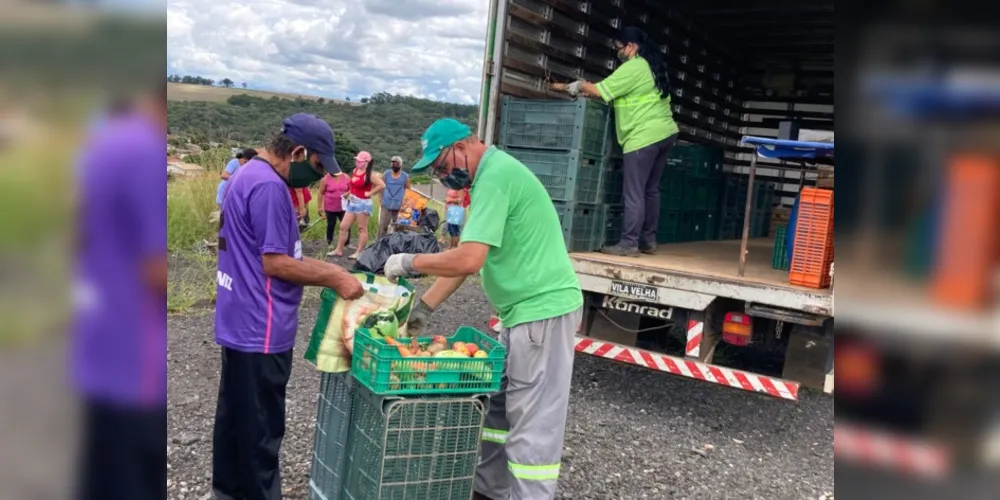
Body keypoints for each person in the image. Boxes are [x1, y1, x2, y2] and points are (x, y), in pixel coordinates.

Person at [383, 118, 583, 500]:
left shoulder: (495, 177)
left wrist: (410, 262)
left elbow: (469, 259)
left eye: (442, 167)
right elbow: (468, 256)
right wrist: (424, 308)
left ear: (462, 146)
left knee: (532, 427)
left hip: (542, 313)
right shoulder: (488, 180)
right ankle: (488, 492)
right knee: (496, 413)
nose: (443, 178)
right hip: (519, 315)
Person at [212, 113, 364, 500]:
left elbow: (272, 253)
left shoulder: (247, 175)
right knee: (261, 430)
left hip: (238, 318)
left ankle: (227, 492)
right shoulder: (269, 187)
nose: (317, 176)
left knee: (236, 421)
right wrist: (335, 277)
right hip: (261, 325)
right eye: (316, 165)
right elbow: (276, 263)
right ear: (297, 152)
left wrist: (332, 270)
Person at [72, 84, 167, 500]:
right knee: (131, 477)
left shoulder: (104, 145)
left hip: (98, 336)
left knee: (101, 468)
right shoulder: (145, 152)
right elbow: (154, 266)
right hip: (136, 354)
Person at [550, 25, 679, 256]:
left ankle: (628, 243)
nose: (618, 52)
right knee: (650, 190)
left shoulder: (634, 67)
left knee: (634, 192)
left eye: (619, 48)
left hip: (643, 137)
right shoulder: (651, 66)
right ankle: (648, 240)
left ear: (631, 46)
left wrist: (579, 85)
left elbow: (601, 91)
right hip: (664, 133)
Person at [330, 150, 384, 260]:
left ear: (366, 162)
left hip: (363, 203)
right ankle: (339, 249)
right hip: (352, 202)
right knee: (343, 226)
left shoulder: (370, 175)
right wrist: (348, 193)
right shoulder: (355, 171)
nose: (357, 162)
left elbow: (381, 185)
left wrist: (370, 193)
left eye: (360, 161)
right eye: (357, 160)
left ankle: (359, 252)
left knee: (362, 228)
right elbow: (353, 186)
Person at [377, 155, 410, 239]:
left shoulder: (405, 176)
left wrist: (405, 204)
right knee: (383, 227)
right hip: (386, 204)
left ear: (401, 164)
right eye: (393, 163)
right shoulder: (386, 174)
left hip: (399, 206)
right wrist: (380, 200)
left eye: (397, 163)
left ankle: (397, 244)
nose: (395, 165)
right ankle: (380, 243)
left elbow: (408, 189)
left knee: (399, 227)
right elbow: (380, 186)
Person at [318, 170, 351, 252]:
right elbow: (321, 193)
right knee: (331, 224)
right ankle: (329, 243)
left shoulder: (346, 177)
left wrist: (348, 193)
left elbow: (352, 189)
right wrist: (319, 207)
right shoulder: (325, 179)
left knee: (346, 224)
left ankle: (347, 243)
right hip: (330, 207)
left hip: (344, 206)